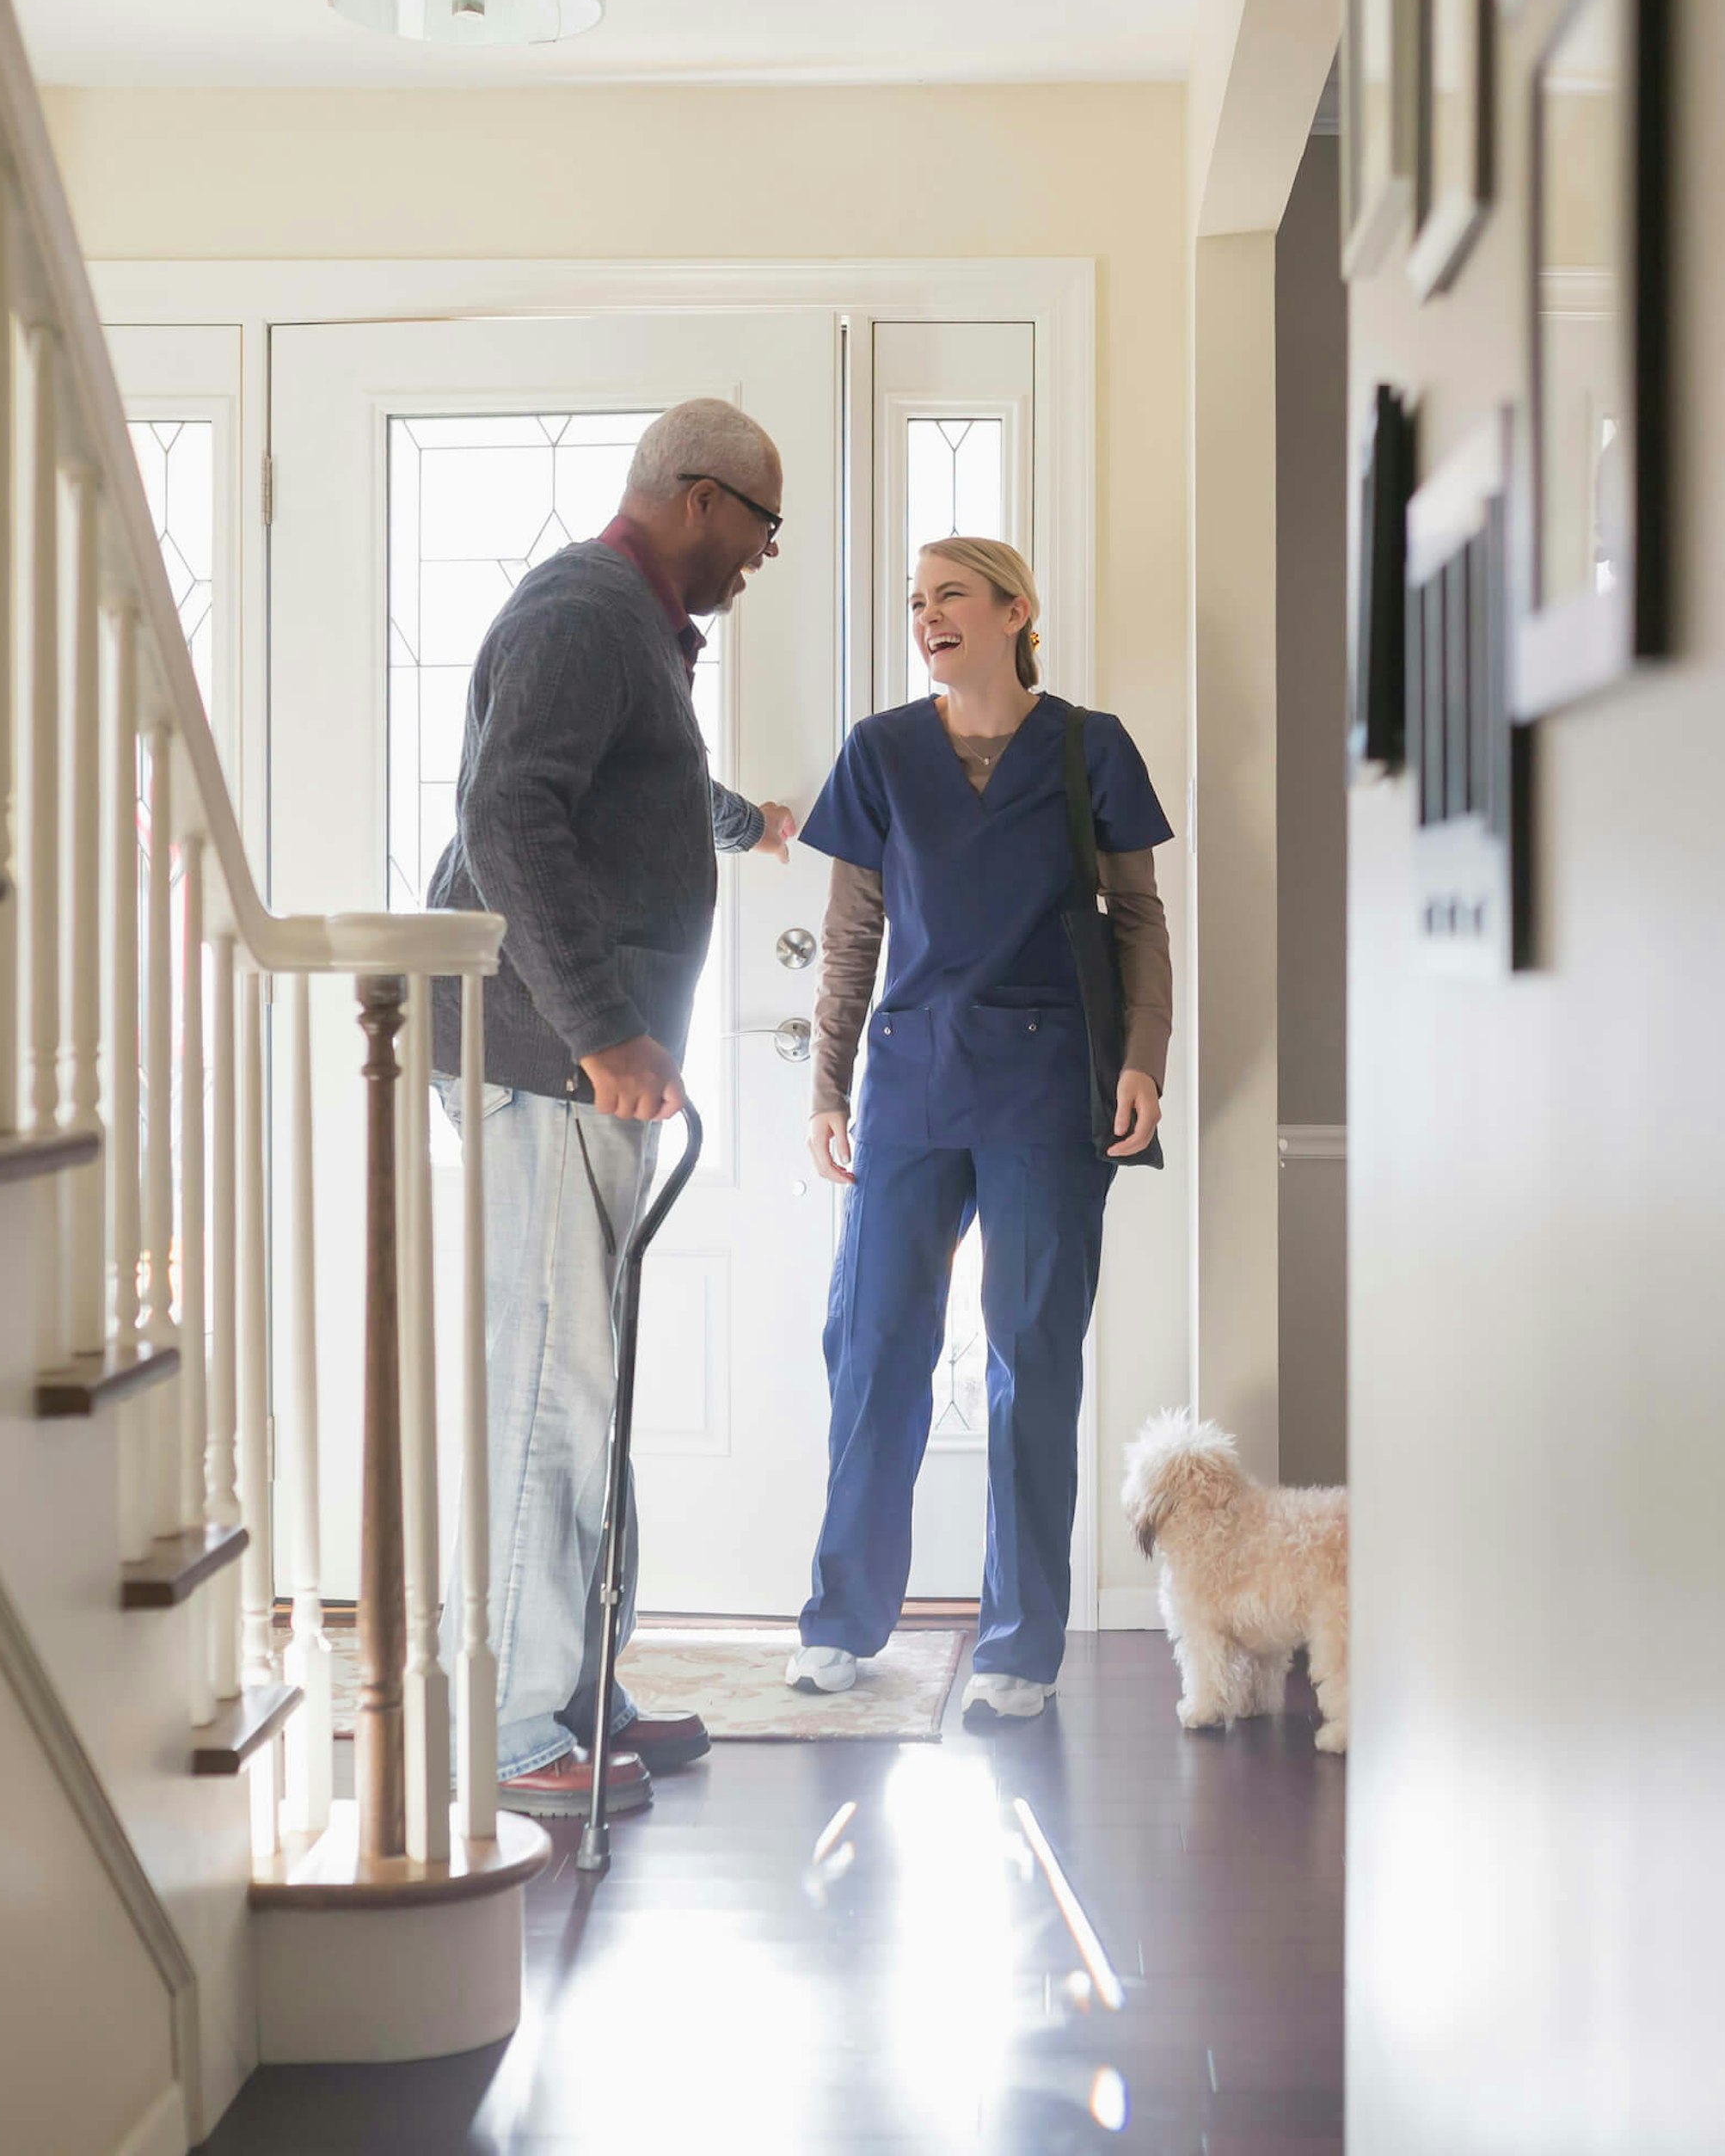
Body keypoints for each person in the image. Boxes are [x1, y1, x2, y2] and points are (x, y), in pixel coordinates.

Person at [427, 398, 799, 1818]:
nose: (763, 558)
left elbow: (635, 792)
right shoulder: (584, 612)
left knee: (595, 1386)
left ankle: (582, 1687)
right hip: (547, 1060)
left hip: (573, 1059)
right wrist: (605, 1034)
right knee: (550, 1388)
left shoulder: (630, 634)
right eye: (761, 528)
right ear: (702, 500)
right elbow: (507, 816)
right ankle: (523, 1732)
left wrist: (748, 824)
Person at [783, 537, 1173, 1718]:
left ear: (1017, 611)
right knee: (873, 1348)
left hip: (1050, 1086)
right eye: (915, 600)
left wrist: (1145, 1061)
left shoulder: (1086, 745)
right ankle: (843, 1621)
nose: (927, 615)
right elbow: (853, 934)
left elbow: (1139, 920)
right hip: (910, 1082)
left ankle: (1018, 1647)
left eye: (950, 594)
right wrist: (828, 1085)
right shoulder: (881, 753)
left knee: (1030, 1354)